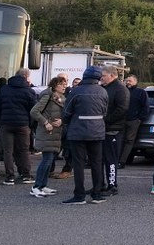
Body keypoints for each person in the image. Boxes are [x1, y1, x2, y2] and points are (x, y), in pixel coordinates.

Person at [61, 66, 108, 204]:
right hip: (97, 132)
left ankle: (79, 195)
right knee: (96, 163)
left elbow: (67, 112)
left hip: (78, 132)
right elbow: (105, 111)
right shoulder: (103, 92)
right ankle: (97, 194)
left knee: (79, 164)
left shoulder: (76, 91)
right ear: (98, 78)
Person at [0, 68, 37, 185]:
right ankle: (25, 175)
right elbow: (34, 110)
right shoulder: (29, 91)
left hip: (6, 125)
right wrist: (30, 124)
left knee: (8, 151)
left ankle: (9, 177)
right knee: (23, 151)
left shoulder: (3, 90)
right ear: (26, 77)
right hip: (23, 125)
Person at [29, 76, 66, 197]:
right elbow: (34, 111)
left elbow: (63, 114)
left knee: (49, 161)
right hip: (47, 133)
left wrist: (61, 121)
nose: (65, 86)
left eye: (65, 83)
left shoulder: (62, 98)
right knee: (46, 160)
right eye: (62, 84)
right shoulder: (47, 97)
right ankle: (36, 186)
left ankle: (43, 185)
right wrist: (46, 123)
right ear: (55, 86)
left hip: (55, 133)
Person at [99, 66, 129, 196]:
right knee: (99, 159)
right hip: (102, 129)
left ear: (112, 75)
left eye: (103, 75)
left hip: (113, 130)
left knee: (111, 160)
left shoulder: (120, 89)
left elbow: (122, 109)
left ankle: (112, 185)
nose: (101, 78)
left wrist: (106, 120)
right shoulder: (104, 88)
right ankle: (99, 184)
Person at [119, 75, 149, 168]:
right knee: (120, 140)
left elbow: (145, 107)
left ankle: (122, 162)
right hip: (122, 120)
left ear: (136, 82)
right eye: (127, 81)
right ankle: (117, 160)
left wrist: (139, 119)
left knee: (129, 141)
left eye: (130, 81)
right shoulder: (123, 91)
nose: (128, 82)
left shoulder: (141, 92)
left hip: (134, 121)